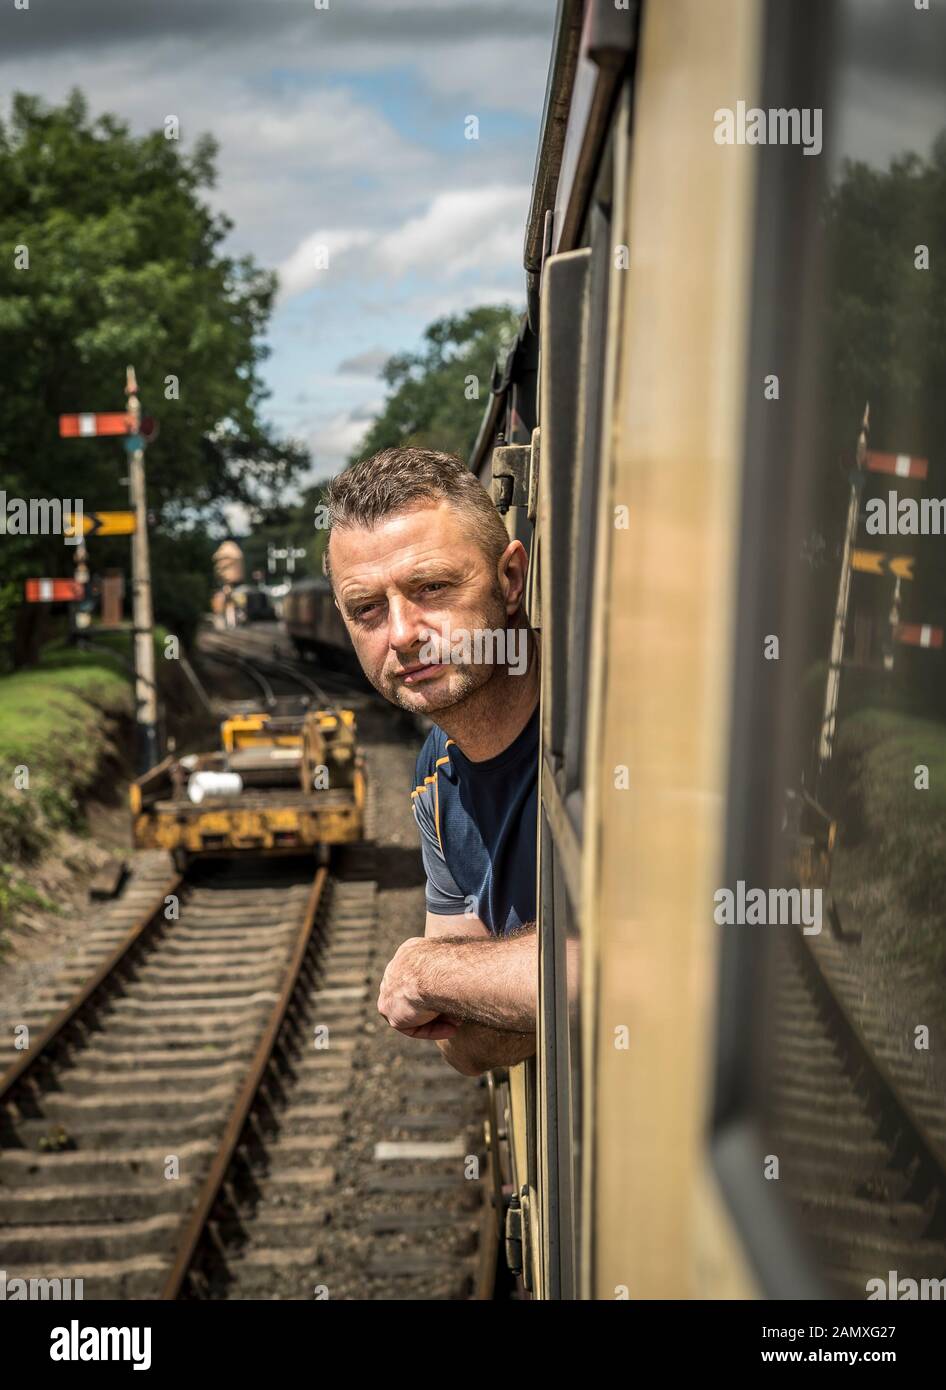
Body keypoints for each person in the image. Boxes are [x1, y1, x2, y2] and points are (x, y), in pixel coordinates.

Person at [324, 447, 540, 1076]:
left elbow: (640, 968)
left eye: (433, 588)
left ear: (510, 580)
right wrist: (511, 984)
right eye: (367, 608)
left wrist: (431, 968)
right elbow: (465, 1048)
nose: (401, 633)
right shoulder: (434, 773)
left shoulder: (601, 730)